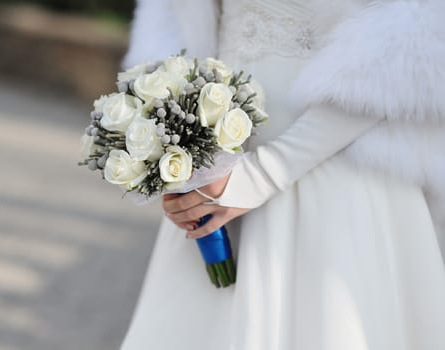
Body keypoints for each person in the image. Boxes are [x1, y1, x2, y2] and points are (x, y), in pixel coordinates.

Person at [121, 0, 445, 349]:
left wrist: (264, 174)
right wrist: (175, 144)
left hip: (336, 165)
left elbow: (411, 42)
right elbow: (176, 23)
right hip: (217, 170)